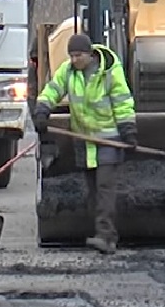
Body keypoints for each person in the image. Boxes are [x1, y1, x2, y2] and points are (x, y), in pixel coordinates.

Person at [31, 33, 137, 255]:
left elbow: (122, 101)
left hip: (108, 139)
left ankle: (106, 237)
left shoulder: (109, 72)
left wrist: (128, 131)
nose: (74, 59)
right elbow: (52, 90)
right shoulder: (68, 71)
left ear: (90, 54)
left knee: (105, 188)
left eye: (78, 55)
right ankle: (100, 233)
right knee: (92, 190)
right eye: (71, 55)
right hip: (84, 140)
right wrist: (42, 110)